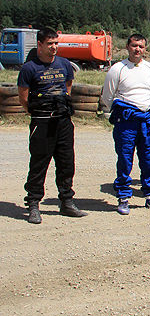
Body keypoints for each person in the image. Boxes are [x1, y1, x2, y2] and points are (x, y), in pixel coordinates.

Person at [17, 28, 86, 224]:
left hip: (63, 122)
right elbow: (23, 96)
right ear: (39, 44)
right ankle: (33, 204)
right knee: (39, 164)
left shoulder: (64, 64)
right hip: (42, 121)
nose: (54, 47)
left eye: (56, 43)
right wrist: (37, 112)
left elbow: (68, 87)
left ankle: (67, 202)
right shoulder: (29, 68)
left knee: (66, 163)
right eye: (50, 43)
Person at [101, 34, 150, 215]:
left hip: (147, 121)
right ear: (127, 47)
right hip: (126, 122)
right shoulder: (117, 69)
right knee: (125, 159)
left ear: (145, 49)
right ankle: (123, 197)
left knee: (148, 159)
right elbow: (108, 97)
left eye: (141, 46)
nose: (138, 49)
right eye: (134, 45)